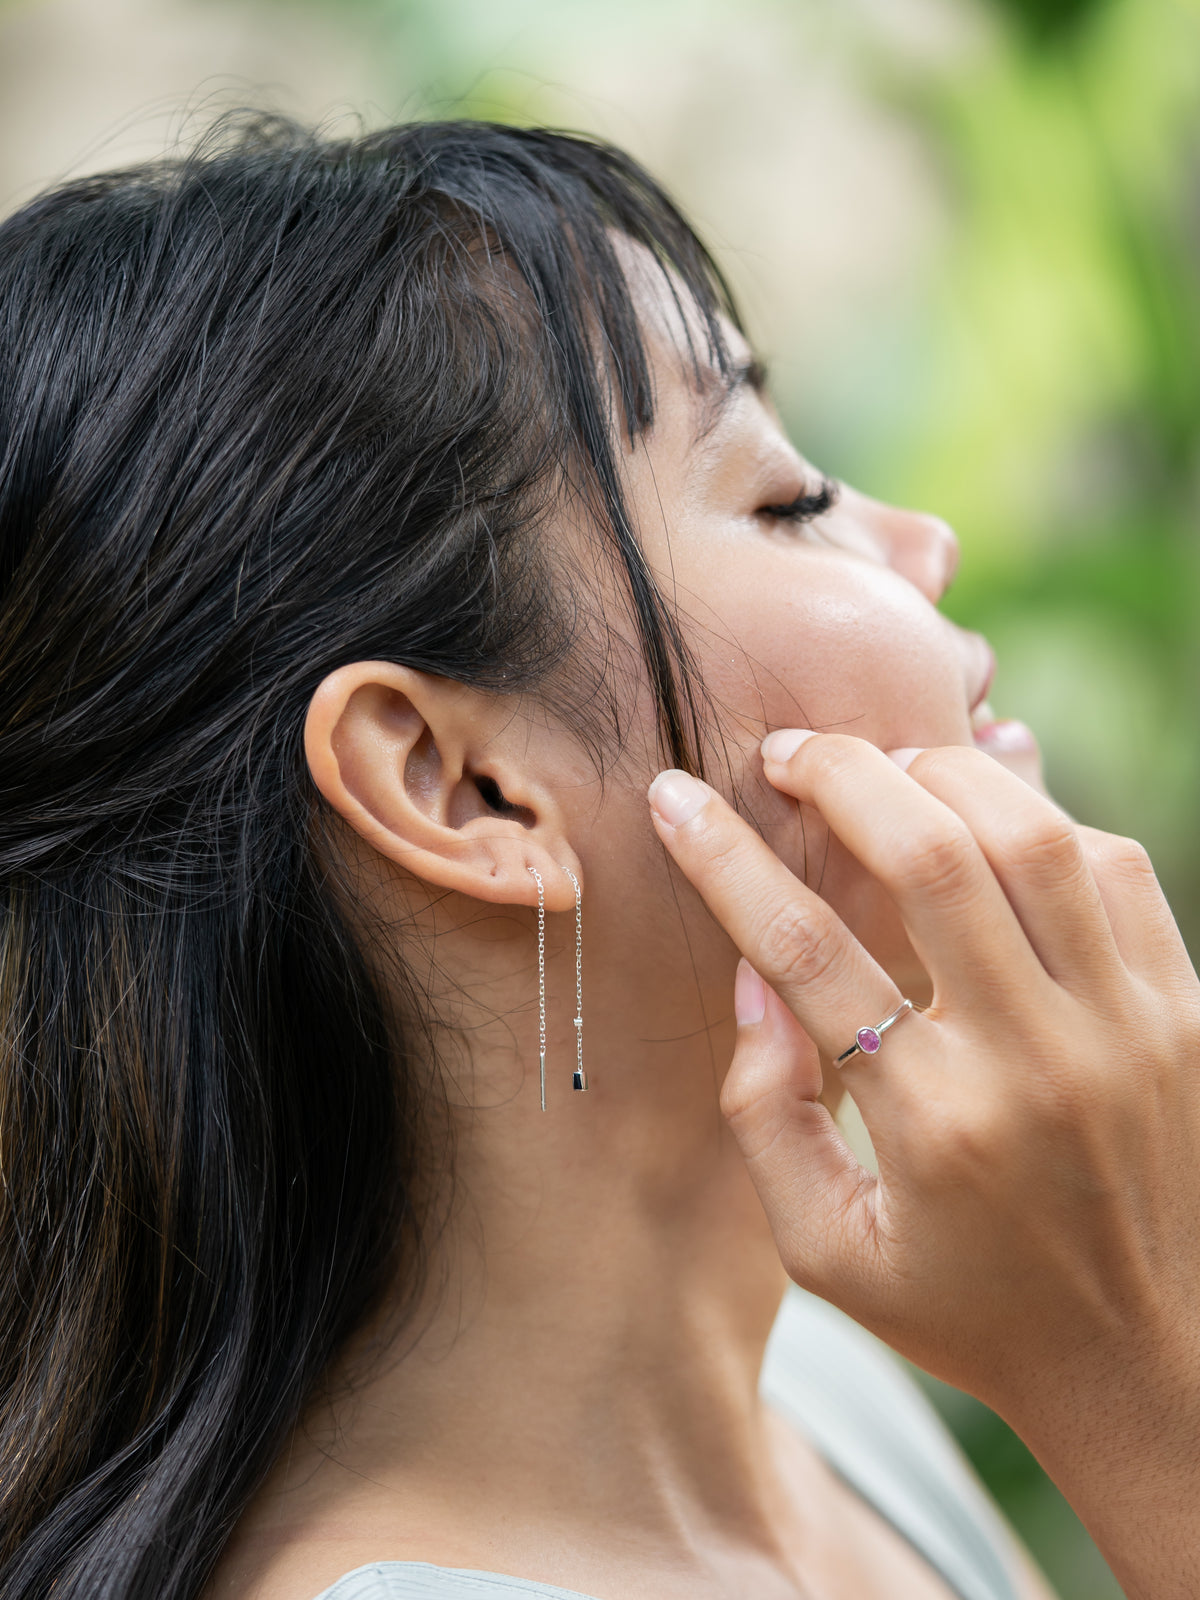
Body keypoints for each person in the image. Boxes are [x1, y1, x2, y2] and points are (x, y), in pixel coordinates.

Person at [0, 114, 1195, 1600]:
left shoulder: (817, 1390)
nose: (923, 540)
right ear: (468, 790)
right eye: (786, 501)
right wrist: (1156, 1391)